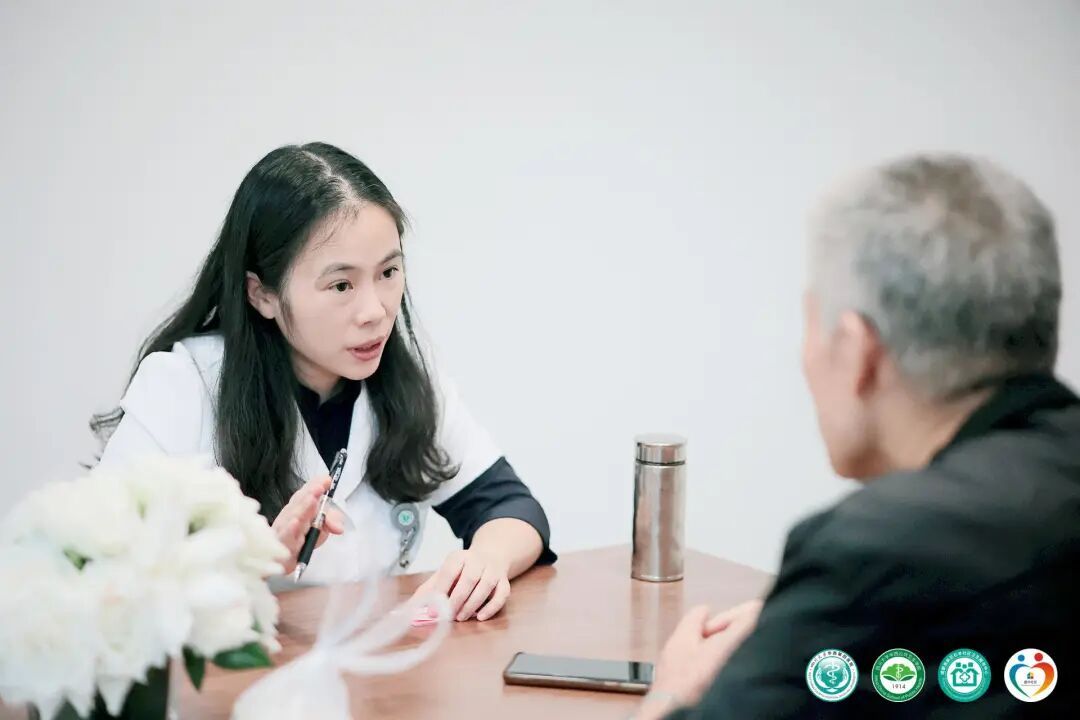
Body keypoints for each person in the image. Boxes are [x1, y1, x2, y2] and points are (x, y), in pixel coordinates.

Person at [637, 154, 1078, 717]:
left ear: (856, 349)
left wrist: (675, 688)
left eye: (811, 323)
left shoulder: (873, 550)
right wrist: (799, 624)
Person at [93, 142, 555, 622]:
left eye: (388, 272)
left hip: (376, 662)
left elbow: (511, 505)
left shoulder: (404, 380)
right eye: (341, 285)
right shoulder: (183, 386)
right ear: (263, 294)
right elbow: (99, 572)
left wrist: (487, 558)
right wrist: (252, 565)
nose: (375, 311)